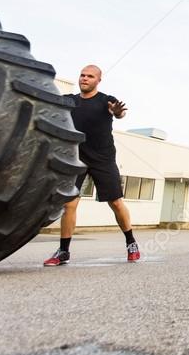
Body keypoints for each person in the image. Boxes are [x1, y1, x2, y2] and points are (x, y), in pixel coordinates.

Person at [44, 65, 138, 266]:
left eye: (90, 76)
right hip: (77, 158)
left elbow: (118, 112)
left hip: (103, 158)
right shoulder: (70, 100)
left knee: (115, 202)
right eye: (82, 75)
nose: (84, 79)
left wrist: (117, 112)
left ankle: (131, 242)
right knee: (69, 203)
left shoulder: (106, 100)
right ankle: (63, 251)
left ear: (98, 80)